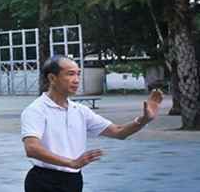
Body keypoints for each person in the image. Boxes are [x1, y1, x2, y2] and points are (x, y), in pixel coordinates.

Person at [21, 56, 163, 192]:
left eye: (78, 74)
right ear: (52, 78)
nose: (76, 80)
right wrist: (71, 163)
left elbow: (118, 132)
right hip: (44, 181)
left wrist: (144, 120)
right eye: (70, 74)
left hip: (73, 180)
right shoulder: (36, 110)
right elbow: (32, 148)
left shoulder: (80, 110)